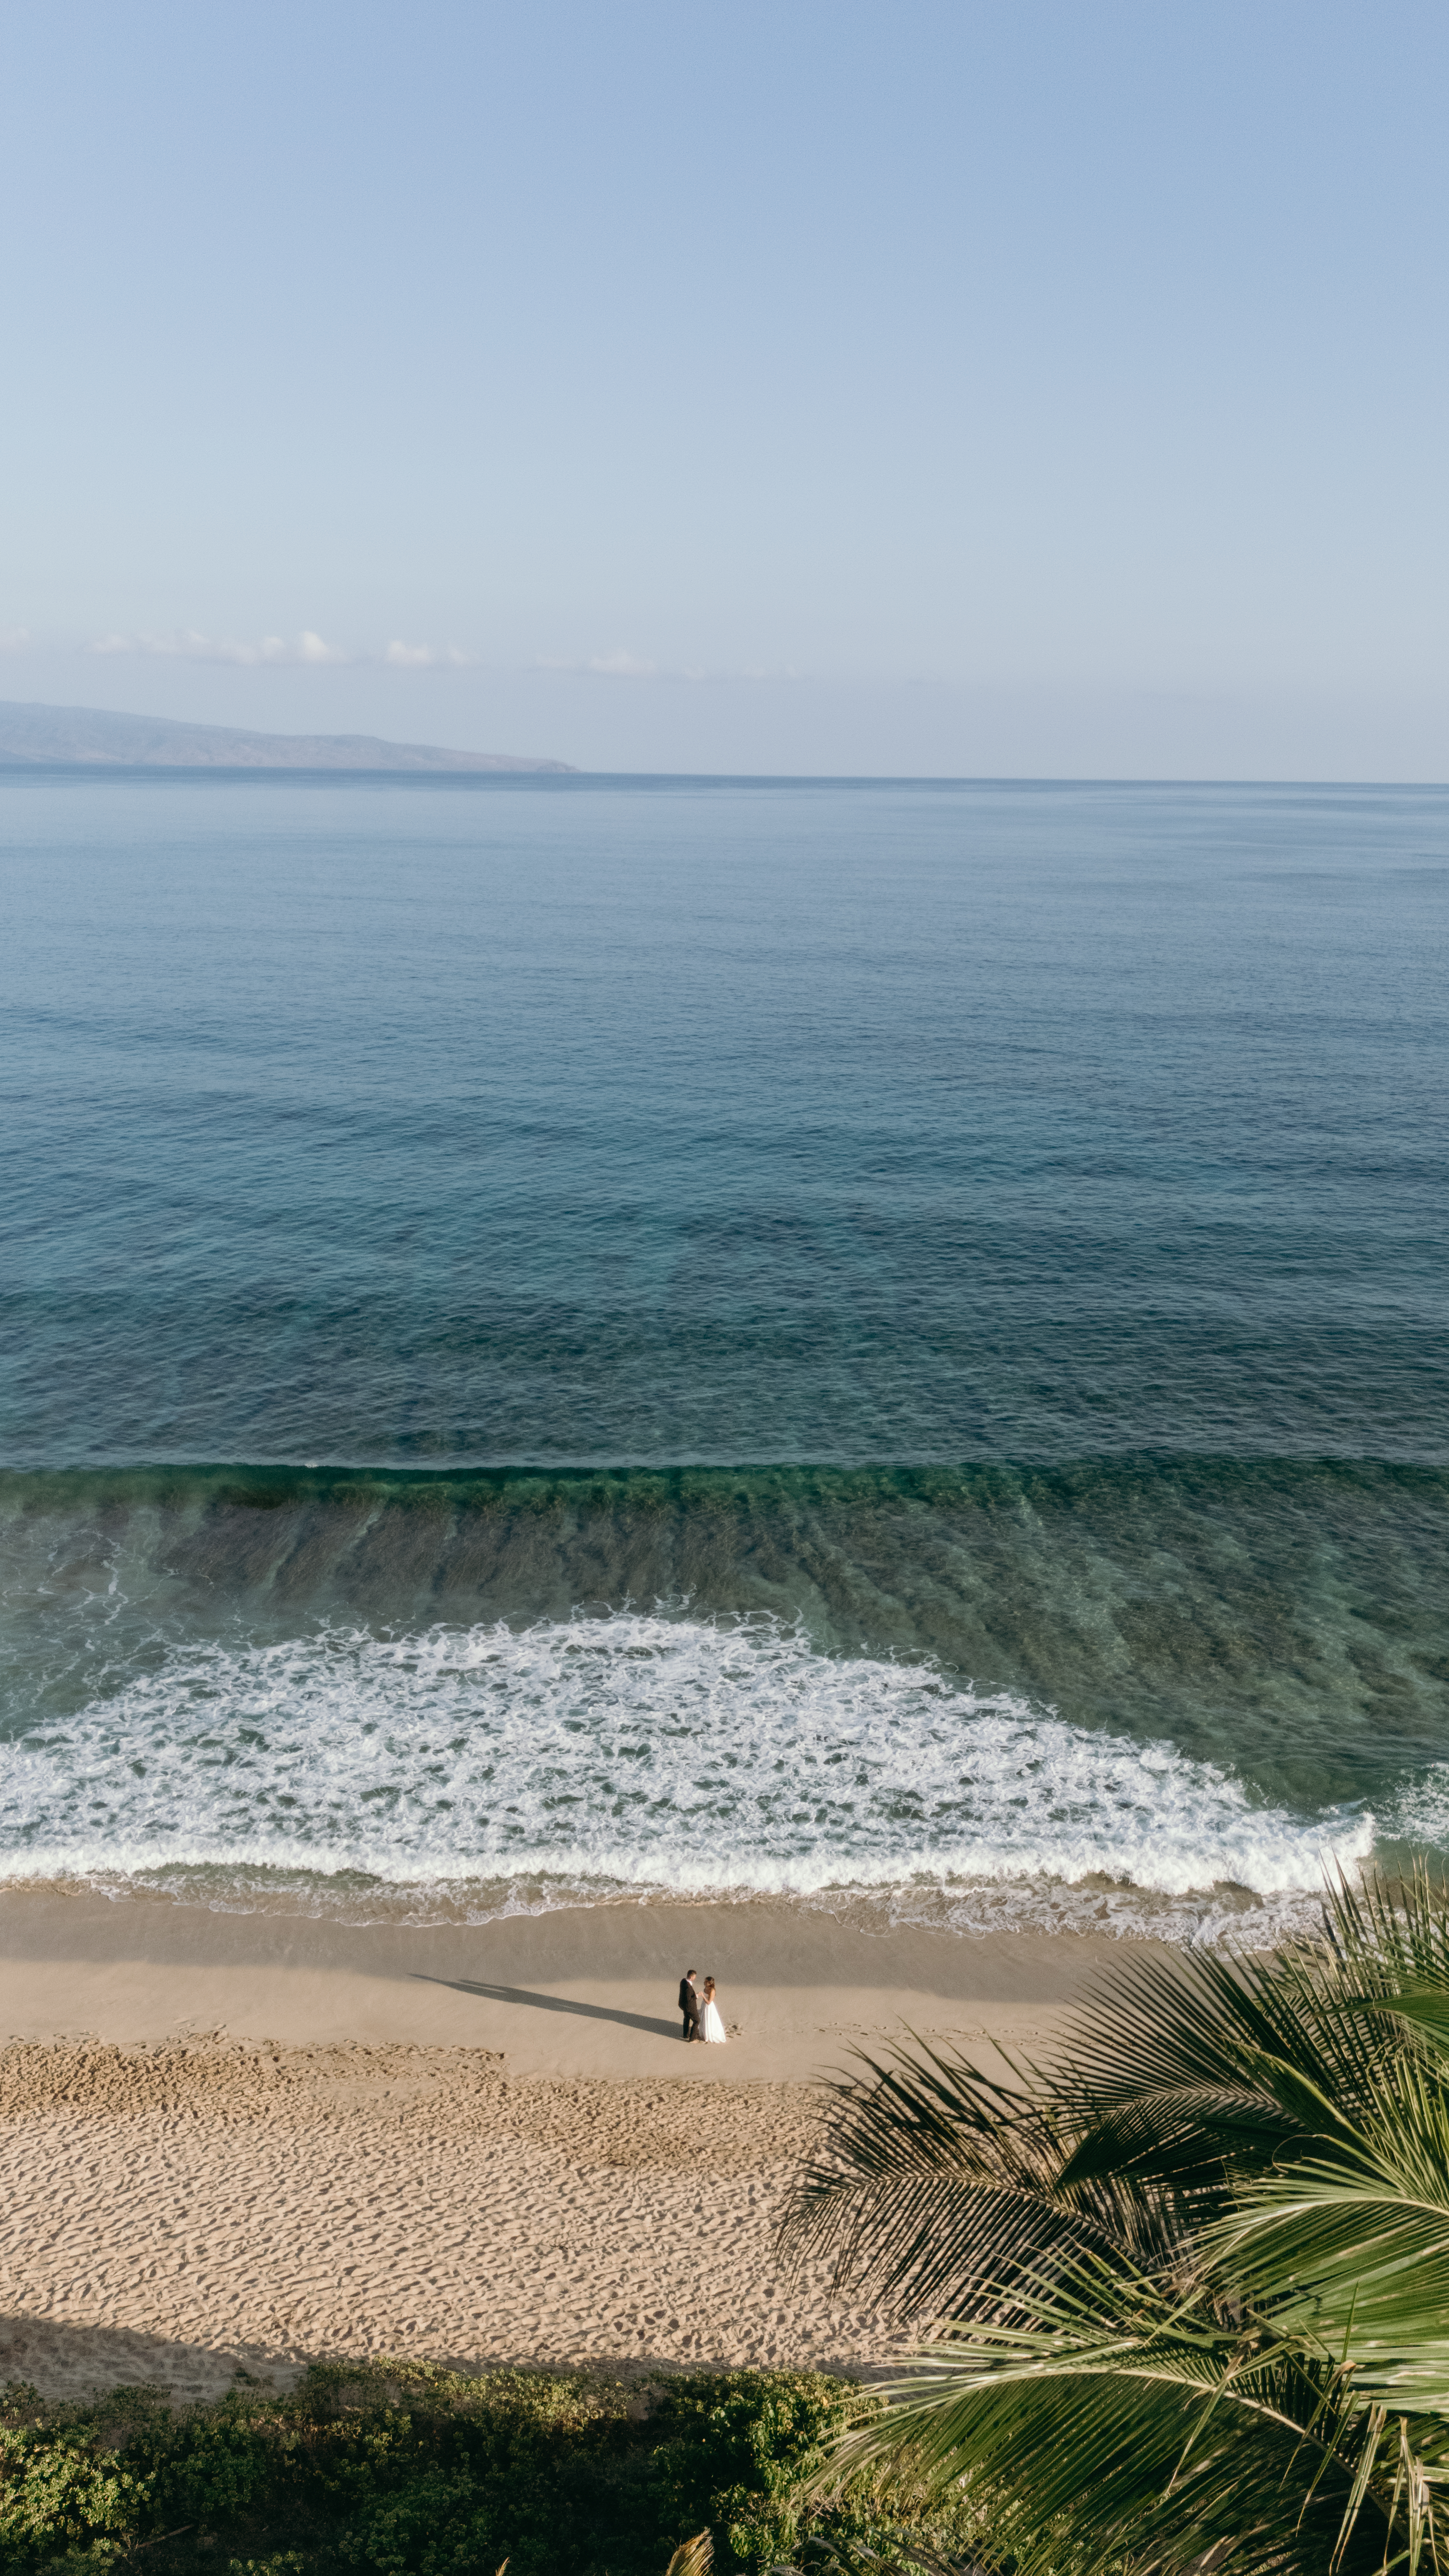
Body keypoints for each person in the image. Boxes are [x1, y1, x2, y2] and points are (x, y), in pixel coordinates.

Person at [698, 1976, 727, 2044]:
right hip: (704, 2006)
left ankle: (709, 2035)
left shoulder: (713, 1990)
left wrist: (703, 1996)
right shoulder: (706, 1988)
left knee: (709, 2020)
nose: (704, 1983)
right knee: (704, 2020)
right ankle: (705, 2033)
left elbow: (709, 2002)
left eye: (706, 1982)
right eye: (705, 1981)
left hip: (709, 2008)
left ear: (710, 1983)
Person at [678, 1969, 700, 2041]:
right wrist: (697, 1996)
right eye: (694, 1977)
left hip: (684, 2006)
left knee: (687, 2018)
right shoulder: (688, 1987)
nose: (695, 1978)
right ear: (691, 1977)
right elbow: (689, 2000)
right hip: (690, 2007)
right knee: (697, 2021)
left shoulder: (683, 1981)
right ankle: (692, 2038)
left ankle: (686, 2035)